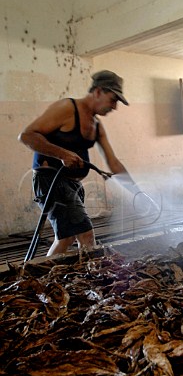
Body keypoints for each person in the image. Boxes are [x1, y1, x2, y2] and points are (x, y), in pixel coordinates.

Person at [18, 70, 137, 256]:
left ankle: (42, 278)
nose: (115, 107)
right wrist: (61, 154)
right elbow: (26, 136)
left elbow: (113, 163)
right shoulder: (67, 108)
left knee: (66, 238)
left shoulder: (96, 125)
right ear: (98, 92)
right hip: (51, 180)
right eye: (113, 99)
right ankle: (92, 277)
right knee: (86, 236)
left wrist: (137, 191)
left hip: (72, 185)